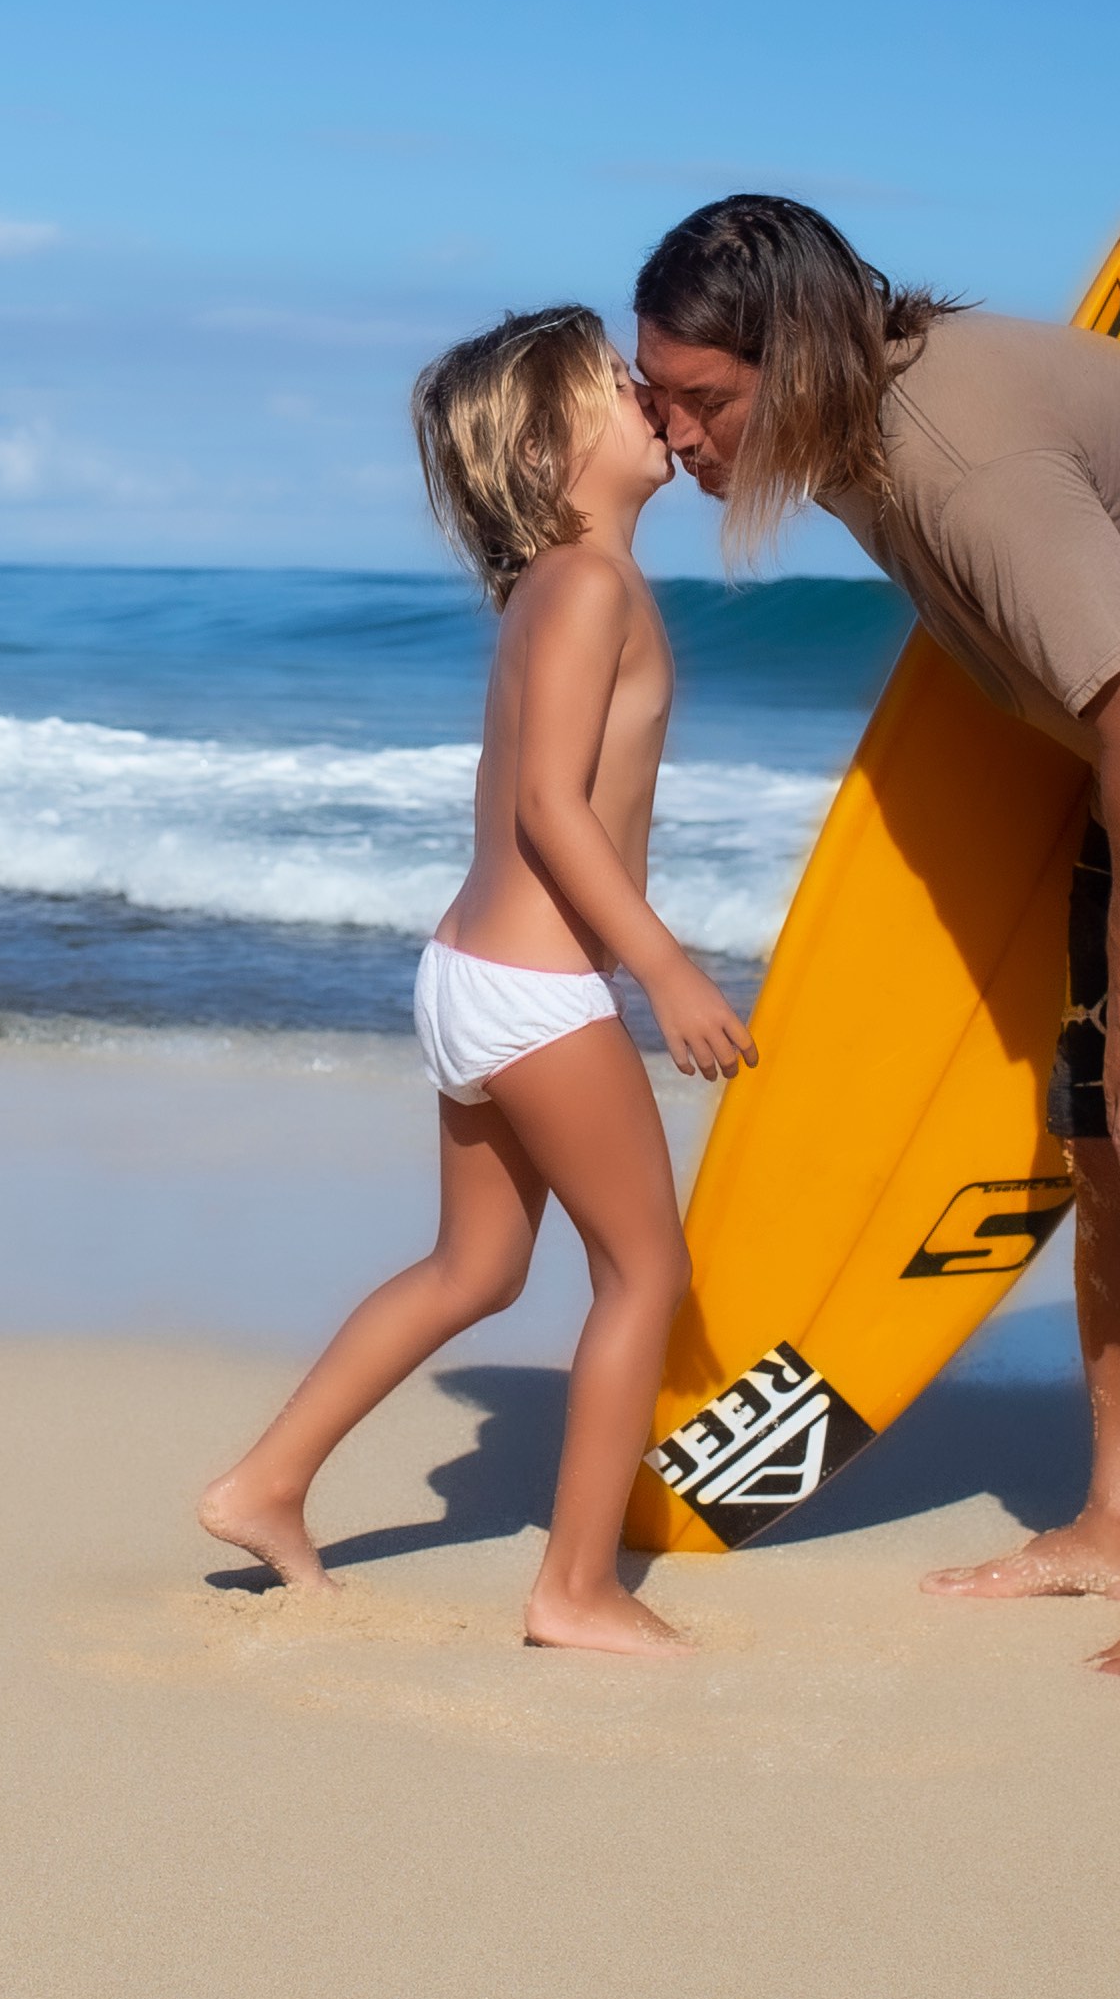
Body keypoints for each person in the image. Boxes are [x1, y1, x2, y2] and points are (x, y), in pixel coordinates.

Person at [631, 196, 1120, 1679]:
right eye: (658, 402)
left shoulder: (963, 461)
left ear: (797, 358)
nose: (678, 439)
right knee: (1108, 1139)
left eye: (703, 403)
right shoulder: (855, 425)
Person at [198, 304, 757, 1656]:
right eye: (621, 390)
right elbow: (557, 814)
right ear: (553, 443)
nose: (650, 405)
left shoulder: (551, 590)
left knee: (477, 1264)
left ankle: (264, 1485)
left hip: (474, 977)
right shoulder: (588, 586)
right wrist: (665, 969)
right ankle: (574, 1588)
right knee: (644, 1276)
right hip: (530, 991)